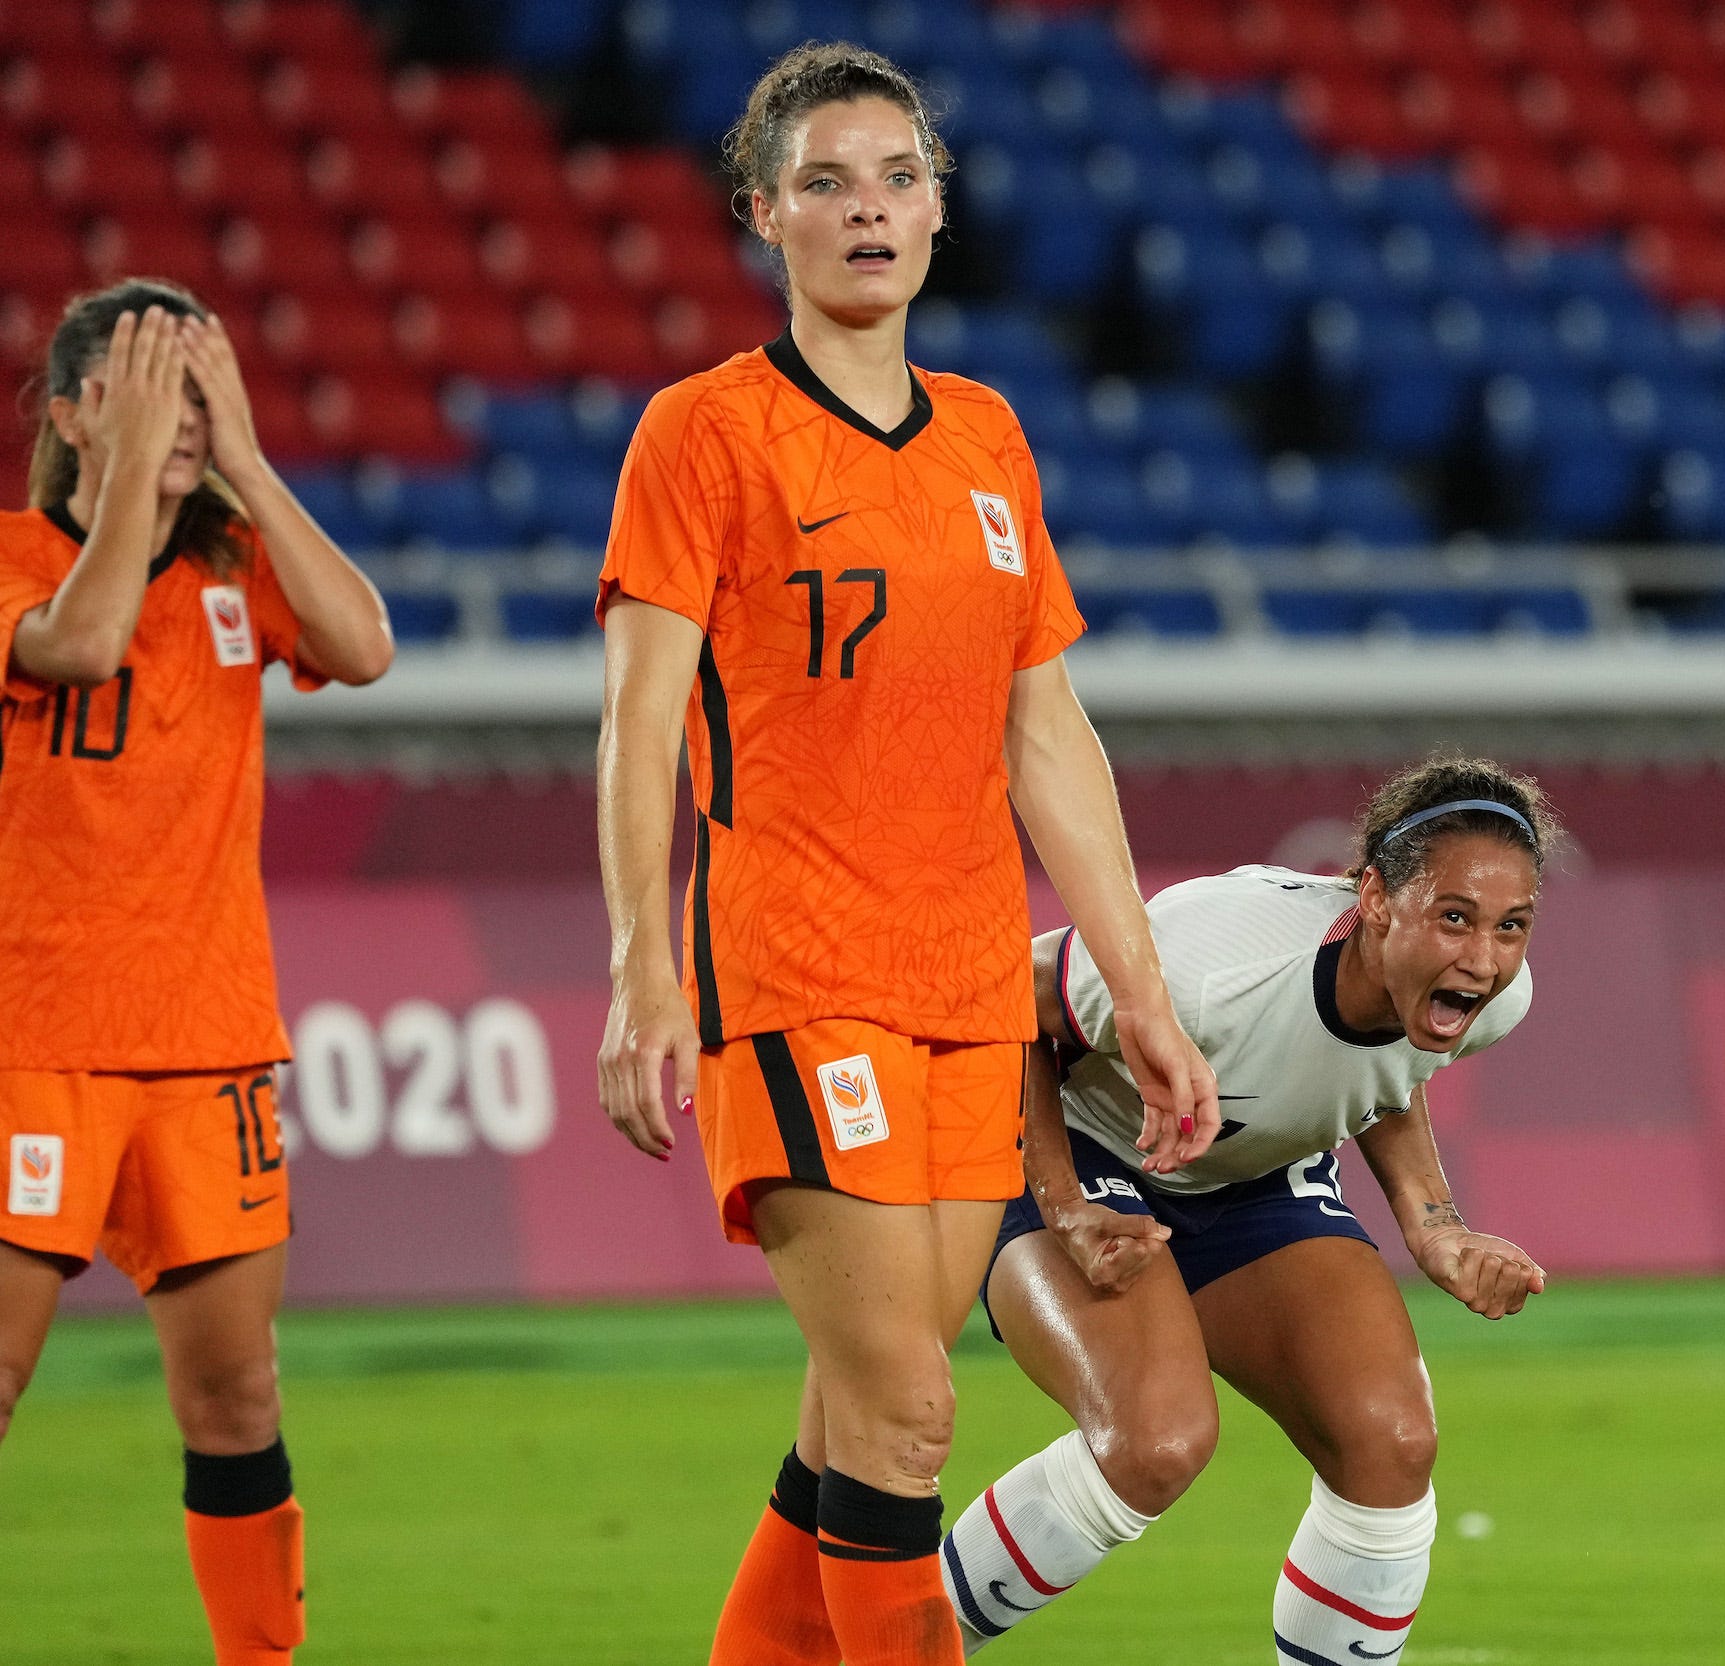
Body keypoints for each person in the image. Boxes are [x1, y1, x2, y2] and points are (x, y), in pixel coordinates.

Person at [592, 43, 1217, 1666]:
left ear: (938, 212)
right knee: (909, 1418)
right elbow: (637, 714)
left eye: (897, 179)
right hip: (799, 967)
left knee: (853, 1419)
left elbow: (1048, 735)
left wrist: (1137, 988)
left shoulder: (989, 441)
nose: (866, 210)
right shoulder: (706, 435)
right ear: (762, 216)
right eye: (826, 183)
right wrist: (640, 966)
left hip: (966, 985)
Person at [937, 757, 1552, 1666]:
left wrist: (1434, 1224)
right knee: (1154, 1440)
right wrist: (1064, 1205)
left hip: (1249, 1178)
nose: (1484, 957)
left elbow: (1385, 1073)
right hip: (1068, 1142)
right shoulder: (1212, 964)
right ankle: (880, 1649)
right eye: (1454, 916)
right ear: (1376, 899)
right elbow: (1007, 1006)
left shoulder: (1495, 1000)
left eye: (1512, 927)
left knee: (1389, 1441)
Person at [0, 279, 395, 1665]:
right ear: (67, 416)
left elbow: (363, 644)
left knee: (235, 1397)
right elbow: (83, 639)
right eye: (142, 386)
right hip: (27, 1045)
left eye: (195, 384)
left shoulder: (235, 571)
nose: (175, 413)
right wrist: (124, 488)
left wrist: (247, 457)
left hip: (207, 1046)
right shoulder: (5, 557)